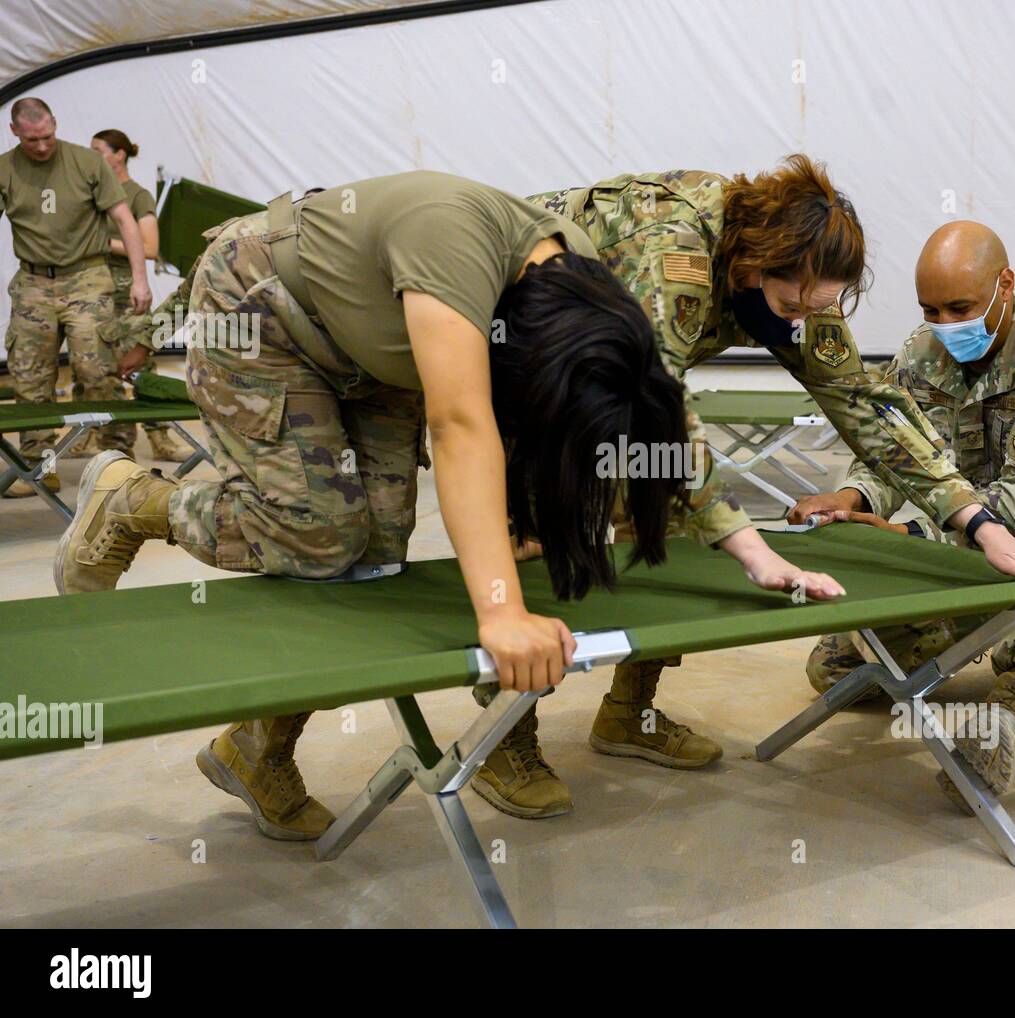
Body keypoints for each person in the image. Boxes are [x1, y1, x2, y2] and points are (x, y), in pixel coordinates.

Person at [55, 170, 844, 840]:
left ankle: (253, 750)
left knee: (378, 565)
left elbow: (599, 409)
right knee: (323, 537)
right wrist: (500, 610)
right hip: (265, 309)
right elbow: (464, 424)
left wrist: (733, 541)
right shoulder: (454, 248)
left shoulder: (584, 291)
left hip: (379, 351)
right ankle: (133, 499)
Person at [460, 158, 1015, 820]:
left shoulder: (800, 277)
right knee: (526, 543)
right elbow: (654, 404)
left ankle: (627, 717)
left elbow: (867, 404)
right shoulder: (672, 253)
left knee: (666, 537)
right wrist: (749, 543)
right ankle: (504, 742)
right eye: (787, 309)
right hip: (509, 362)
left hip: (613, 364)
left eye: (815, 311)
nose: (798, 326)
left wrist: (980, 524)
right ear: (749, 270)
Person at [791, 221, 1015, 806]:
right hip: (972, 534)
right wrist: (852, 499)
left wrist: (909, 534)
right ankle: (978, 627)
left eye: (957, 307)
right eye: (929, 310)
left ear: (1004, 283)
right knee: (836, 668)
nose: (942, 325)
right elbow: (899, 450)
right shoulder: (921, 350)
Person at [0, 98, 150, 497]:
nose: (43, 146)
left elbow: (124, 220)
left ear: (55, 125)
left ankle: (115, 461)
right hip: (33, 282)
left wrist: (140, 280)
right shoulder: (4, 168)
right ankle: (38, 465)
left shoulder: (87, 162)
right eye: (33, 140)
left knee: (96, 371)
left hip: (87, 276)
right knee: (31, 378)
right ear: (15, 132)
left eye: (48, 136)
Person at [79, 128, 191, 461]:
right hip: (92, 291)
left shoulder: (136, 195)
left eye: (98, 150)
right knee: (91, 366)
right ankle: (97, 437)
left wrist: (103, 245)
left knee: (141, 367)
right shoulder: (90, 192)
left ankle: (161, 437)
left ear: (119, 154)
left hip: (127, 293)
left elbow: (150, 248)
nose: (92, 157)